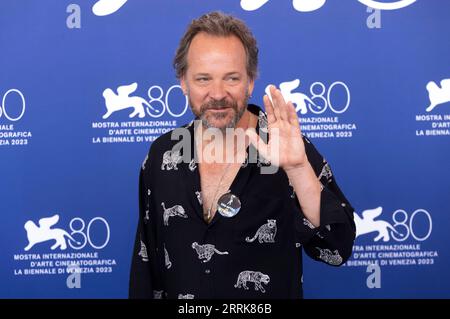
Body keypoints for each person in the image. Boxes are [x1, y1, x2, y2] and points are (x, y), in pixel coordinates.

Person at [129, 11, 355, 299]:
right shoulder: (163, 154)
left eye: (232, 78)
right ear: (183, 83)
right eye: (203, 79)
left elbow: (337, 250)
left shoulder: (287, 147)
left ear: (250, 81)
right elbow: (147, 266)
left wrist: (298, 169)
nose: (218, 93)